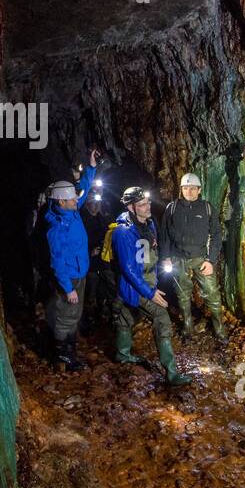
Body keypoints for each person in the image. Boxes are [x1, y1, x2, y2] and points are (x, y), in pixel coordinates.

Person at [110, 186, 192, 386]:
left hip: (146, 281)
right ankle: (171, 373)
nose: (147, 207)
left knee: (126, 316)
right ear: (130, 207)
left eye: (147, 202)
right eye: (141, 205)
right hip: (135, 285)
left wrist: (158, 271)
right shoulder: (123, 232)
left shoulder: (149, 224)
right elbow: (129, 269)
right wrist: (149, 292)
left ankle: (123, 353)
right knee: (162, 318)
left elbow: (150, 253)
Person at [43, 149, 101, 371]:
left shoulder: (72, 211)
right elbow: (56, 263)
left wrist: (91, 167)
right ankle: (62, 355)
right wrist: (68, 289)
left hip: (80, 272)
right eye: (72, 198)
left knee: (74, 315)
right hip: (69, 277)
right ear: (60, 201)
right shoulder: (57, 228)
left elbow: (83, 189)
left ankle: (69, 350)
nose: (77, 199)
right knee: (65, 316)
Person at [159, 172, 227, 341]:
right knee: (183, 295)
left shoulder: (207, 208)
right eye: (186, 188)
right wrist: (166, 257)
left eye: (192, 188)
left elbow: (216, 235)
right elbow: (164, 235)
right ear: (181, 189)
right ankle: (188, 328)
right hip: (177, 258)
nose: (189, 191)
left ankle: (219, 329)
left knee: (212, 293)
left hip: (201, 258)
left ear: (199, 190)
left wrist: (211, 260)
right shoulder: (172, 208)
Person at [81, 191, 112, 335]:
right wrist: (89, 252)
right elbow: (77, 244)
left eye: (98, 202)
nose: (96, 205)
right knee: (90, 295)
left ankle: (104, 321)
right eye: (93, 202)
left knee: (105, 292)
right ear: (88, 203)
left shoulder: (103, 219)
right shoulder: (81, 220)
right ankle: (89, 324)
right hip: (90, 264)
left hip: (104, 263)